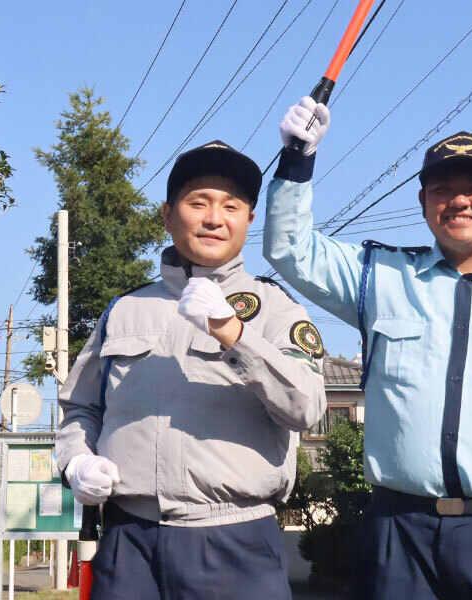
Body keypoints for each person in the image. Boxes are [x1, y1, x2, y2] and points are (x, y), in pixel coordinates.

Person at [264, 96, 472, 600]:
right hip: (402, 533)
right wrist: (296, 161)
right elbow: (291, 249)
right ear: (424, 202)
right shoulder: (380, 276)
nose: (460, 201)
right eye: (443, 189)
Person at [56, 140, 327, 600]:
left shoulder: (277, 310)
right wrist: (76, 462)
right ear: (167, 215)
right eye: (197, 202)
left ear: (249, 221)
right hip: (129, 542)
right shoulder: (125, 309)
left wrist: (236, 334)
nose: (213, 218)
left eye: (231, 206)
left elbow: (307, 407)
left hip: (234, 539)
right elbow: (79, 408)